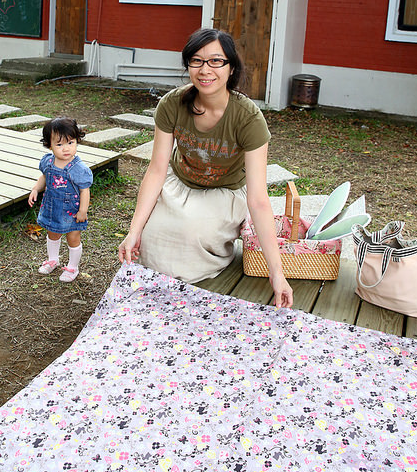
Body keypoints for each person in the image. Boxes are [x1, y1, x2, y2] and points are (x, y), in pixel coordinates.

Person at [119, 28, 293, 309]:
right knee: (149, 241)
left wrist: (277, 272)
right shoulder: (172, 104)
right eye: (196, 61)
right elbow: (156, 170)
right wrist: (133, 230)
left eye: (215, 61)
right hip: (180, 185)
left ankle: (216, 254)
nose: (205, 70)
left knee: (190, 233)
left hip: (225, 192)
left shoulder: (248, 118)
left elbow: (259, 199)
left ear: (231, 67)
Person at [28, 117, 93, 283]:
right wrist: (36, 188)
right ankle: (53, 259)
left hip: (72, 211)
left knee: (73, 237)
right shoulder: (48, 162)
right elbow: (44, 177)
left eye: (70, 143)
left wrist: (83, 211)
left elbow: (85, 191)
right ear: (49, 145)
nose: (66, 149)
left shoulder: (79, 169)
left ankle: (72, 267)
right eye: (59, 144)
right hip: (52, 208)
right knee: (53, 233)